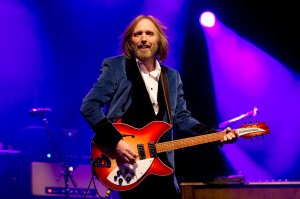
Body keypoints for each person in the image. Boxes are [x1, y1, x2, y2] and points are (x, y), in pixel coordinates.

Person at [80, 15, 239, 199]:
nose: (144, 38)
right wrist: (117, 142)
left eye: (149, 33)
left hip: (162, 169)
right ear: (130, 42)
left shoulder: (171, 77)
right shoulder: (117, 68)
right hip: (128, 165)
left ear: (159, 40)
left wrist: (215, 135)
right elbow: (89, 106)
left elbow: (182, 118)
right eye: (137, 34)